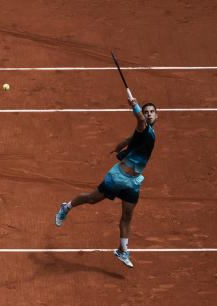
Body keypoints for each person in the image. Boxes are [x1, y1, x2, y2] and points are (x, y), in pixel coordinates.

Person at [54, 95, 158, 268]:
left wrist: (118, 148)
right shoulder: (143, 127)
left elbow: (127, 141)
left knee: (127, 215)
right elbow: (139, 119)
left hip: (134, 182)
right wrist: (135, 106)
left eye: (152, 112)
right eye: (146, 112)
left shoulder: (147, 134)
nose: (148, 114)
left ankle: (122, 251)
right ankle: (66, 207)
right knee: (92, 199)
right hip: (118, 177)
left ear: (157, 115)